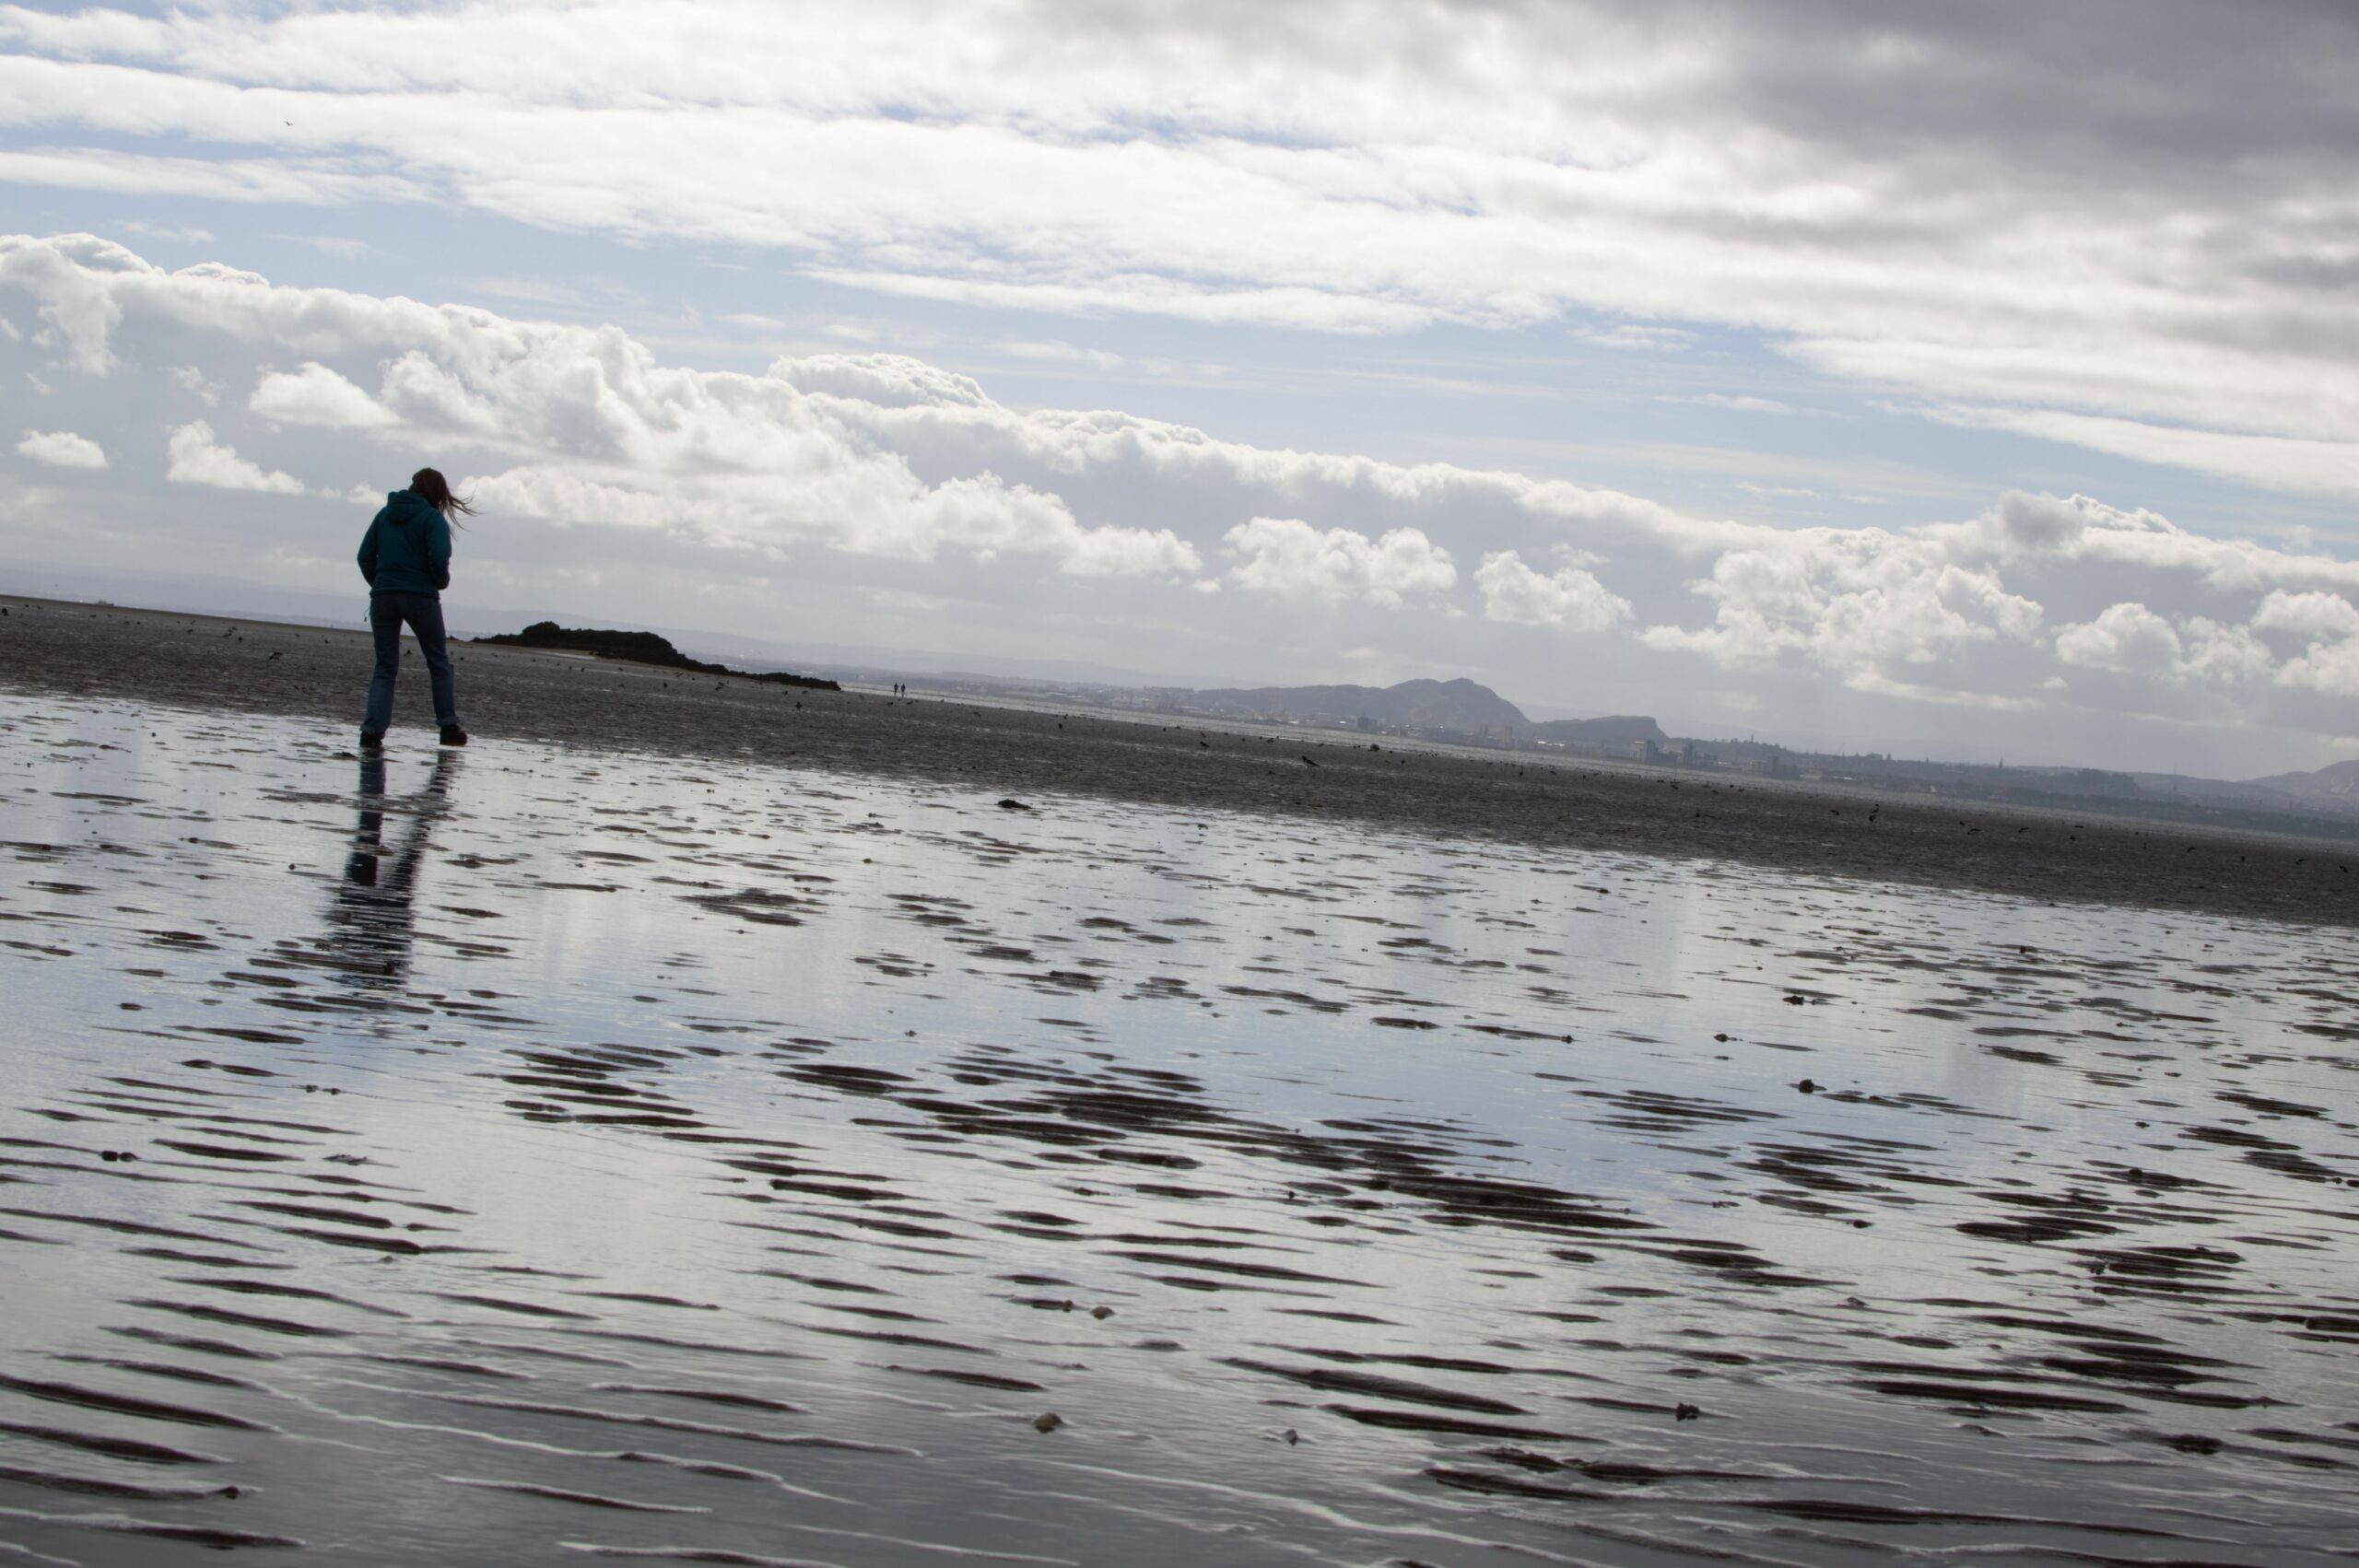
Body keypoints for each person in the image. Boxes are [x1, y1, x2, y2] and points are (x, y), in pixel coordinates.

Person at [358, 467, 472, 750]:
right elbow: (440, 556)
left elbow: (364, 557)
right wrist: (440, 581)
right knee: (438, 663)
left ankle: (371, 733)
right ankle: (447, 727)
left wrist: (381, 582)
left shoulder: (384, 515)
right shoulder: (432, 518)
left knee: (385, 667)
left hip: (383, 597)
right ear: (438, 493)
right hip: (420, 597)